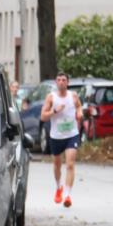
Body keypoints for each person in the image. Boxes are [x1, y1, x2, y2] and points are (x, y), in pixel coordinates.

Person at [40, 72, 82, 207]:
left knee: (70, 164)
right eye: (59, 80)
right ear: (55, 82)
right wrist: (55, 111)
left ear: (68, 82)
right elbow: (43, 117)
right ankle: (59, 187)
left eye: (64, 80)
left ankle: (68, 195)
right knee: (57, 165)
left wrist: (79, 112)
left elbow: (79, 106)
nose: (61, 82)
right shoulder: (51, 98)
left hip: (72, 134)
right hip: (56, 136)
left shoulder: (73, 96)